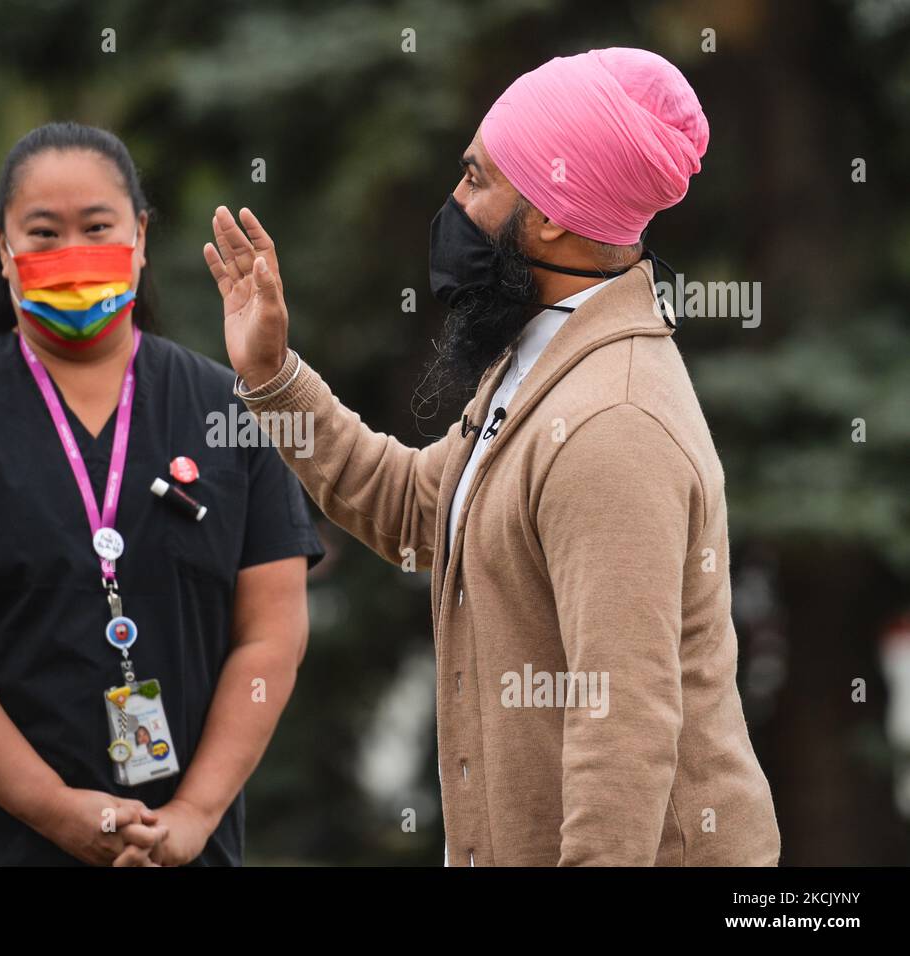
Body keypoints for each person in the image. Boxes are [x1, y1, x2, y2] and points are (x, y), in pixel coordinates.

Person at [204, 48, 782, 866]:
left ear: (547, 213)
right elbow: (413, 513)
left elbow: (621, 726)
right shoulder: (548, 360)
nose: (453, 204)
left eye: (476, 179)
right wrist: (270, 376)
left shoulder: (610, 422)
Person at [0, 121, 324, 866]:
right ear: (3, 250)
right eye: (43, 232)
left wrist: (192, 815)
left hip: (181, 851)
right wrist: (56, 810)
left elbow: (271, 638)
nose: (73, 252)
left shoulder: (228, 413)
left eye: (98, 226)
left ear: (142, 236)